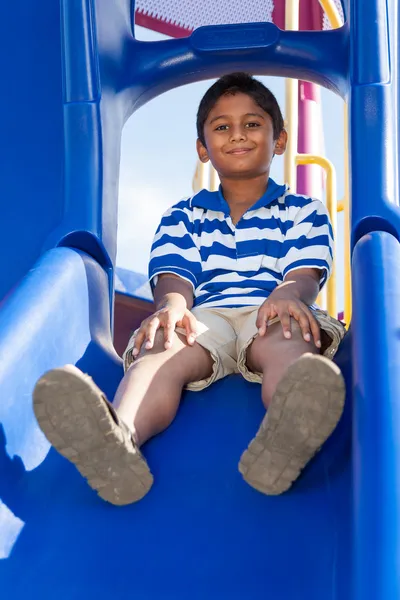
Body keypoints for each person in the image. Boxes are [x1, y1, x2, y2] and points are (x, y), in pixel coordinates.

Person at [33, 72, 346, 506]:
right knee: (162, 349)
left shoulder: (302, 210)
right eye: (222, 127)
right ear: (203, 148)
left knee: (290, 342)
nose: (238, 134)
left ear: (279, 140)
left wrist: (290, 293)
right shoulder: (184, 215)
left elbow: (305, 270)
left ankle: (286, 436)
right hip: (208, 317)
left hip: (272, 309)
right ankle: (118, 440)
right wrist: (174, 306)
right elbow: (175, 274)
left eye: (253, 123)